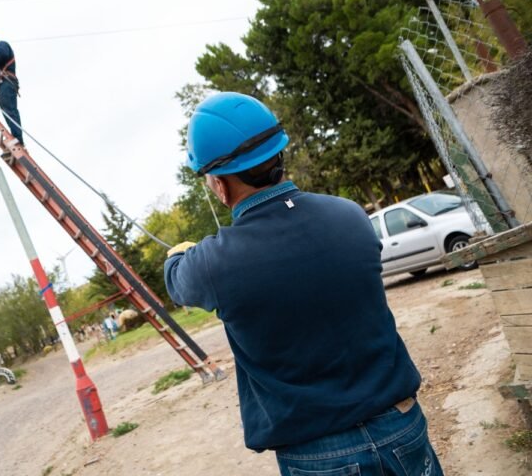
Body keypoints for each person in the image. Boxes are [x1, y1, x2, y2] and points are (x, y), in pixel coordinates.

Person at [163, 92, 442, 475]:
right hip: (401, 423)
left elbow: (177, 281)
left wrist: (178, 254)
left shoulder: (213, 262)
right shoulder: (350, 216)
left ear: (218, 184)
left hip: (317, 454)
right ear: (279, 155)